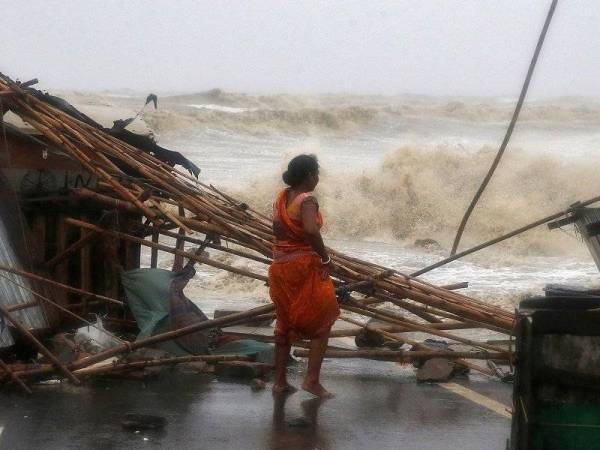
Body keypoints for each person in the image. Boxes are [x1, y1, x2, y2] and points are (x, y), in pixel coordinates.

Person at [268, 154, 339, 398]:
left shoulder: (281, 198)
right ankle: (311, 380)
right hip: (304, 267)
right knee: (324, 317)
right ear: (309, 175)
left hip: (280, 268)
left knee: (285, 321)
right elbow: (309, 229)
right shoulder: (307, 200)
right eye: (316, 173)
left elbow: (280, 232)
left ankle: (279, 382)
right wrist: (325, 258)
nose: (318, 178)